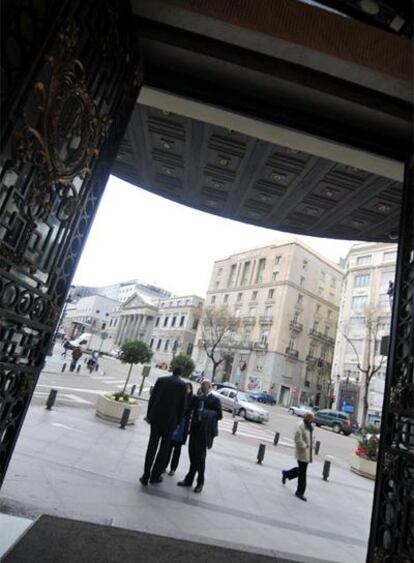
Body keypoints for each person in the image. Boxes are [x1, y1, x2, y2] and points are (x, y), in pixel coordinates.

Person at [140, 366, 187, 486]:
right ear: (181, 373)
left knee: (152, 446)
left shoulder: (161, 380)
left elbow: (152, 398)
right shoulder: (182, 386)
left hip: (156, 418)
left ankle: (146, 475)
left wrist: (149, 415)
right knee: (164, 449)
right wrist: (177, 423)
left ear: (172, 371)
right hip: (170, 422)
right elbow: (182, 407)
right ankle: (155, 475)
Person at [177, 379, 222, 493]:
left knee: (200, 458)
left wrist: (206, 413)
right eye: (201, 384)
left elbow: (219, 415)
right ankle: (189, 479)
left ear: (210, 386)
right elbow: (188, 410)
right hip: (194, 430)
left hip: (204, 433)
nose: (202, 386)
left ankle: (200, 482)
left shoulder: (215, 400)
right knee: (192, 455)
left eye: (204, 385)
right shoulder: (197, 398)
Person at [282, 411, 314, 501]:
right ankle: (300, 492)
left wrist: (312, 444)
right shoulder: (300, 425)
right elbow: (297, 439)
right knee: (303, 473)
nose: (313, 420)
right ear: (308, 418)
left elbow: (311, 437)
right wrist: (305, 446)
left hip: (307, 453)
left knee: (301, 471)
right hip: (302, 453)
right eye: (312, 418)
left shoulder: (309, 426)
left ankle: (286, 474)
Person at [164, 382, 193, 476]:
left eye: (189, 388)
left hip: (183, 427)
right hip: (174, 424)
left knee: (177, 449)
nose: (187, 390)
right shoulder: (179, 397)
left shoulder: (192, 400)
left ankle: (173, 468)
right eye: (186, 388)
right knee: (168, 448)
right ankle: (164, 466)